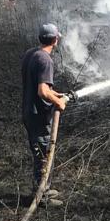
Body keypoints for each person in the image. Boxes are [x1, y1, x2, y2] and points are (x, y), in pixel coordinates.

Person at [20, 23, 68, 206]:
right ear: (55, 40)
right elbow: (42, 91)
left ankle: (43, 188)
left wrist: (56, 94)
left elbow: (38, 86)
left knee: (40, 152)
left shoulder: (31, 54)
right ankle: (43, 197)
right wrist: (58, 102)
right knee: (43, 154)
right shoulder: (46, 60)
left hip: (29, 112)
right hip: (39, 116)